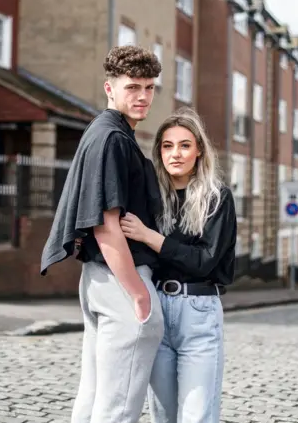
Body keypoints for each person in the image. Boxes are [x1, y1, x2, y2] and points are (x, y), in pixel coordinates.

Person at [40, 45, 165, 423]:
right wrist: (138, 292)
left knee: (95, 396)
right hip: (119, 281)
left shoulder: (103, 132)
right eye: (133, 87)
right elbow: (105, 223)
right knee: (118, 405)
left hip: (99, 280)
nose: (142, 96)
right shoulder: (112, 139)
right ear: (110, 88)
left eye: (149, 87)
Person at [120, 107, 237, 423]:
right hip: (156, 309)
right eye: (167, 145)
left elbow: (204, 262)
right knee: (164, 415)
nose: (176, 153)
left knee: (197, 415)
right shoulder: (151, 197)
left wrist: (150, 237)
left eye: (185, 145)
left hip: (198, 311)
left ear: (199, 150)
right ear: (159, 151)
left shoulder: (217, 198)